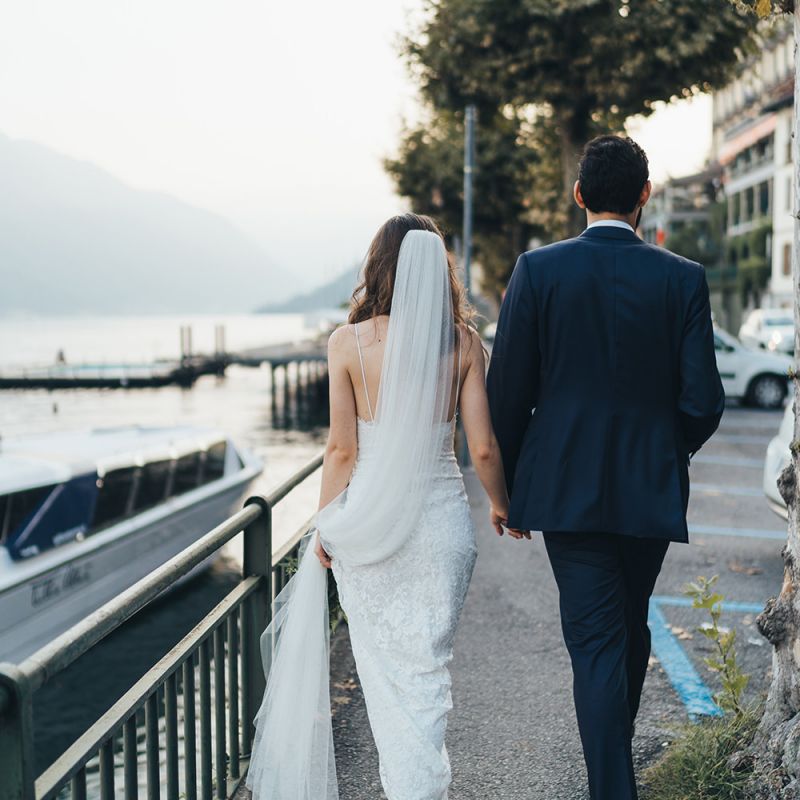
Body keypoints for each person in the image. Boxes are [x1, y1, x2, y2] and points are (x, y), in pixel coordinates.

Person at [486, 135, 725, 800]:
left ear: (579, 194)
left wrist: (504, 489)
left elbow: (506, 393)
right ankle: (613, 775)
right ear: (645, 193)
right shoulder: (684, 278)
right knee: (630, 621)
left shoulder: (538, 271)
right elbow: (704, 401)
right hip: (647, 492)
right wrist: (663, 452)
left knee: (597, 644)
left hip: (564, 490)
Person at [245, 213, 512, 800]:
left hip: (371, 533)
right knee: (427, 678)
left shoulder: (347, 344)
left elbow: (341, 451)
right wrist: (501, 504)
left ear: (378, 266)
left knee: (387, 685)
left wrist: (324, 525)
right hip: (443, 530)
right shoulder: (464, 344)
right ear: (440, 271)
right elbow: (484, 446)